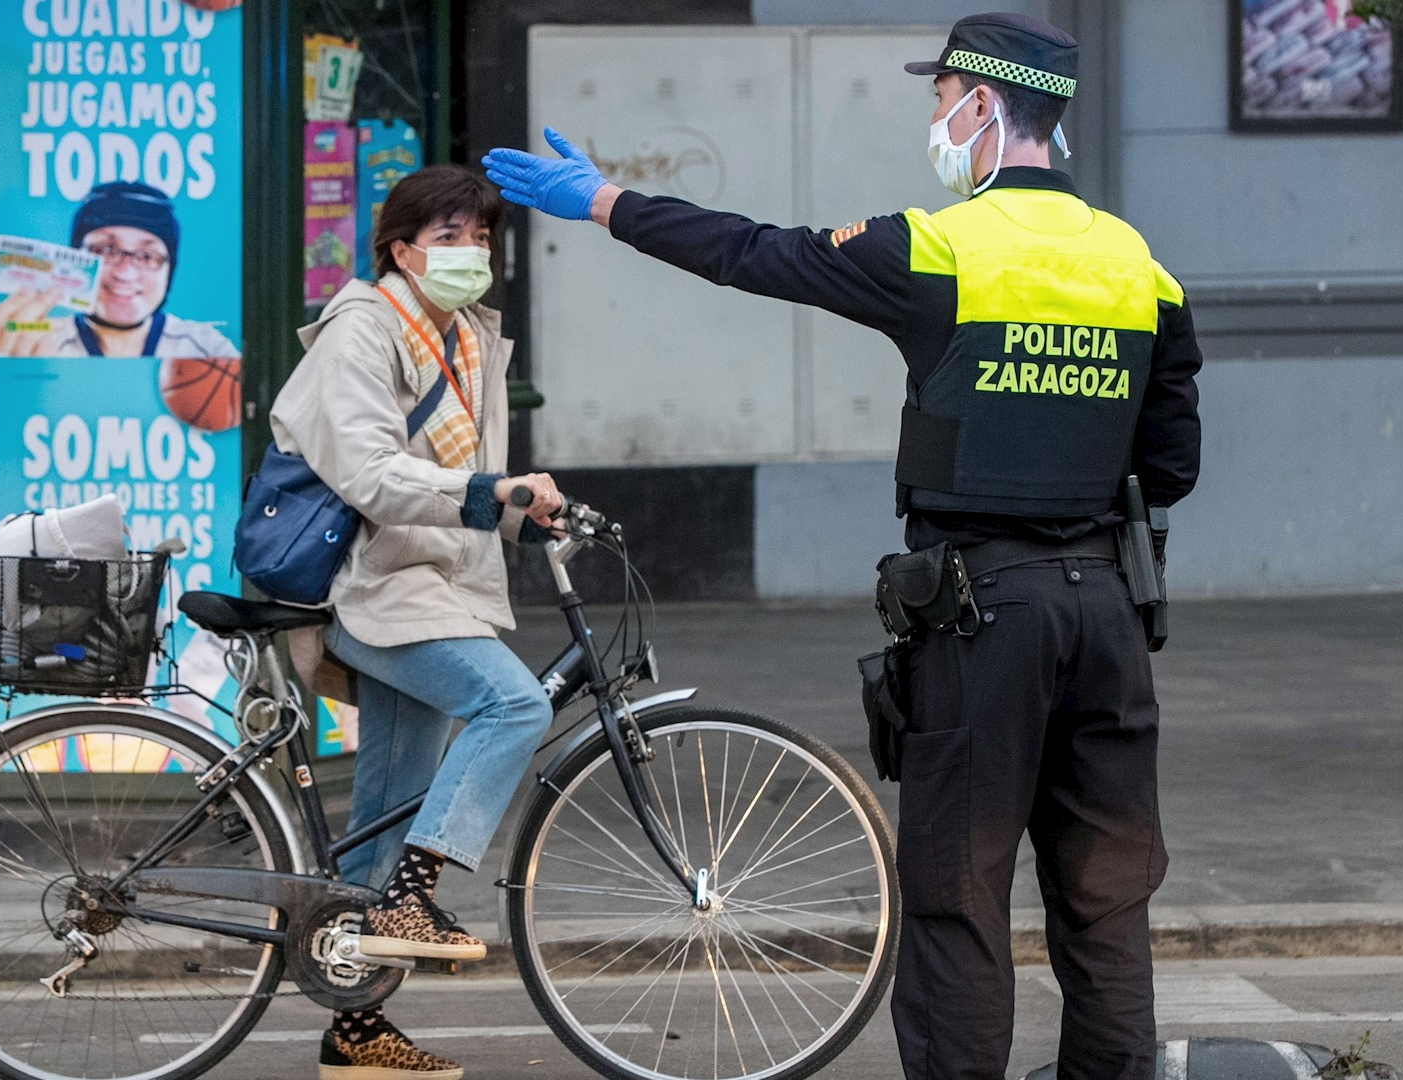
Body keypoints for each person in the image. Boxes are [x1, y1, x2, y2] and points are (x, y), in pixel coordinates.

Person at [484, 13, 1201, 1080]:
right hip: (1106, 614)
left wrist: (604, 201)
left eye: (941, 98)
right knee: (1106, 900)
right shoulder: (1138, 264)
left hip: (983, 612)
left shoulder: (940, 247)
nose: (935, 119)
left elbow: (753, 254)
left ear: (987, 107)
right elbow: (1173, 464)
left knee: (959, 894)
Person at [268, 164, 564, 1080]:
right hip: (368, 586)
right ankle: (409, 900)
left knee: (387, 820)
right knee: (515, 708)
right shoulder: (364, 331)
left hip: (430, 583)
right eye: (447, 238)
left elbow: (474, 478)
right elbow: (371, 474)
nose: (468, 253)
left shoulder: (467, 335)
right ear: (400, 250)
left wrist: (525, 505)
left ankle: (355, 1029)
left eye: (478, 237)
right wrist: (489, 494)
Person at [0, 180, 239, 358]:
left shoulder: (206, 347)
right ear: (75, 258)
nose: (125, 273)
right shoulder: (38, 336)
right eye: (106, 251)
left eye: (146, 256)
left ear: (169, 269)